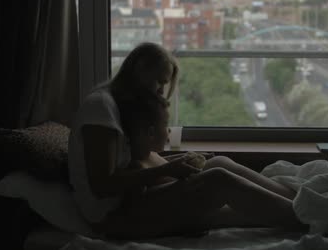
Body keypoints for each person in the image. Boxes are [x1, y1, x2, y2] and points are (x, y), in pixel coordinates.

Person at [68, 42, 304, 239]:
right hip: (114, 220)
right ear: (139, 69)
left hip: (133, 201)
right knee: (218, 179)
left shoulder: (122, 104)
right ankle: (308, 218)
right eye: (158, 82)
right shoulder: (101, 108)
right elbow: (102, 185)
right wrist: (171, 168)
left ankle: (300, 201)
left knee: (218, 163)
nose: (160, 91)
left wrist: (179, 161)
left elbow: (132, 161)